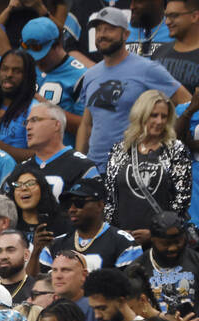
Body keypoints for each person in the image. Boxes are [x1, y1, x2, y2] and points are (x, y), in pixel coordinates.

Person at [78, 6, 187, 173]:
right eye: (98, 30)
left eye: (109, 29)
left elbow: (185, 100)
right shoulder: (90, 75)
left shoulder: (147, 69)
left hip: (132, 168)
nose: (102, 35)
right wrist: (80, 162)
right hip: (95, 169)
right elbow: (86, 124)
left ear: (126, 34)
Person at [103, 89, 191, 243]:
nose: (159, 121)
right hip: (123, 239)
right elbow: (110, 199)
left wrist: (156, 233)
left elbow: (181, 201)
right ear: (141, 115)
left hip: (162, 241)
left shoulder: (176, 149)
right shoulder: (120, 149)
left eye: (164, 116)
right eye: (154, 115)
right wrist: (118, 233)